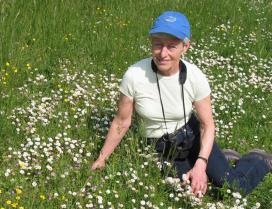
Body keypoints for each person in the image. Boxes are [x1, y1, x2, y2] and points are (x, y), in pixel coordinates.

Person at [91, 11, 271, 196]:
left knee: (234, 188)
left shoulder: (195, 77)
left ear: (185, 46)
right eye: (158, 45)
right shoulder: (134, 75)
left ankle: (257, 159)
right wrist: (102, 158)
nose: (163, 53)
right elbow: (122, 122)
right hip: (160, 147)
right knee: (191, 192)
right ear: (151, 43)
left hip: (192, 136)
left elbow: (207, 125)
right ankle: (222, 159)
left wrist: (201, 164)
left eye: (171, 46)